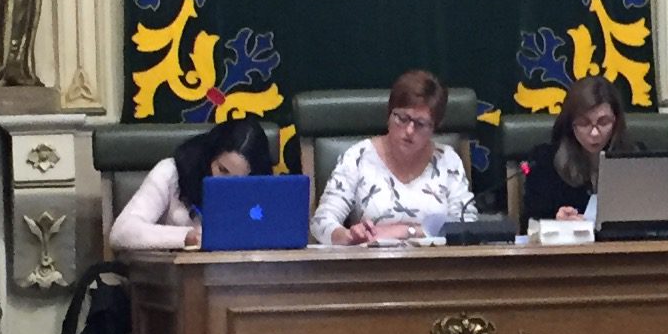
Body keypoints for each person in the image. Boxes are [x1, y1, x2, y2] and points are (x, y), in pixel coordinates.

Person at [313, 70, 475, 243]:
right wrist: (347, 237)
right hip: (371, 266)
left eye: (421, 124)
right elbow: (321, 222)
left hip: (440, 267)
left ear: (435, 127)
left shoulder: (447, 161)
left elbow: (468, 224)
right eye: (403, 118)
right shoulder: (358, 157)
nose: (409, 131)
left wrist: (406, 231)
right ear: (389, 114)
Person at [112, 117, 276, 251]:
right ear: (210, 157)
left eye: (238, 181)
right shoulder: (171, 171)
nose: (226, 184)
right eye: (222, 170)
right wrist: (188, 237)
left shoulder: (258, 190)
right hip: (170, 279)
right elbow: (122, 231)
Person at [522, 76, 625, 223]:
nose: (594, 133)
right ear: (571, 123)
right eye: (584, 123)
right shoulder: (544, 162)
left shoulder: (635, 158)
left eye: (604, 122)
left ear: (616, 122)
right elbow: (529, 224)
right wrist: (556, 222)